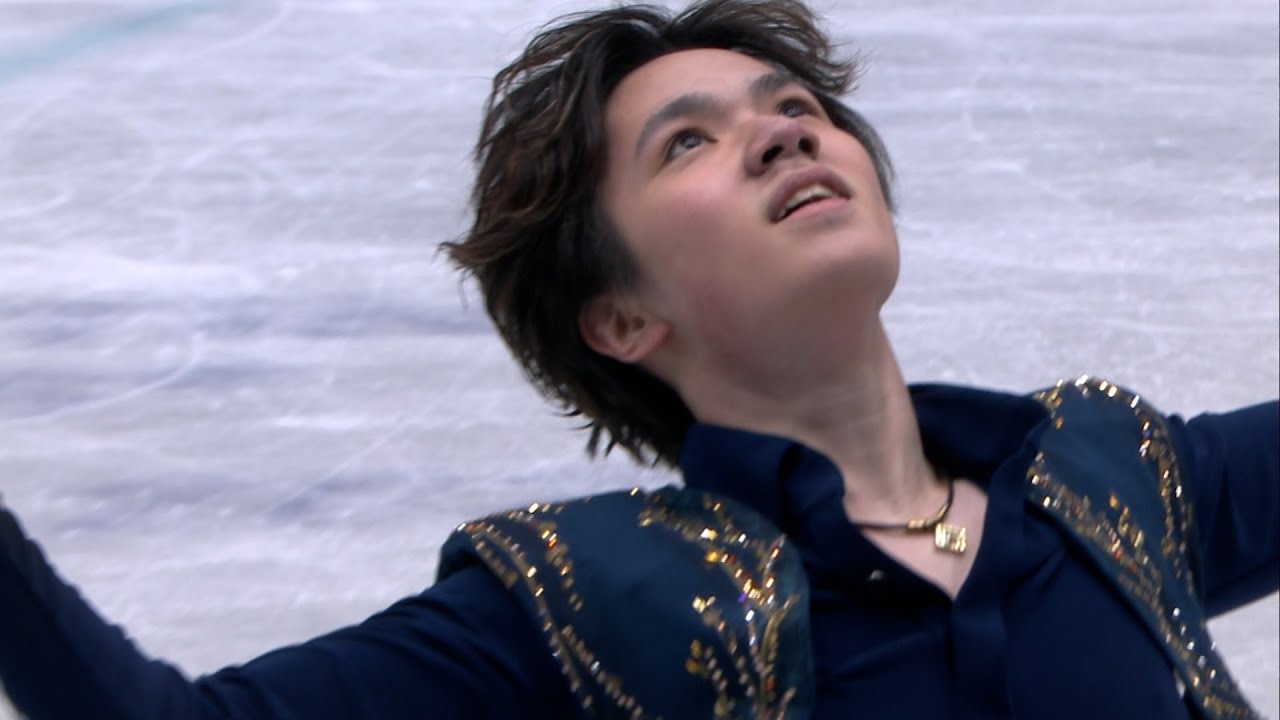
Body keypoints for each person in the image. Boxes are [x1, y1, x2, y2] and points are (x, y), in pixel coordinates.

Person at [1, 0, 1276, 718]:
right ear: (617, 317)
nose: (783, 135)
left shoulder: (1104, 482)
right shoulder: (589, 606)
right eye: (686, 143)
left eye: (795, 108)